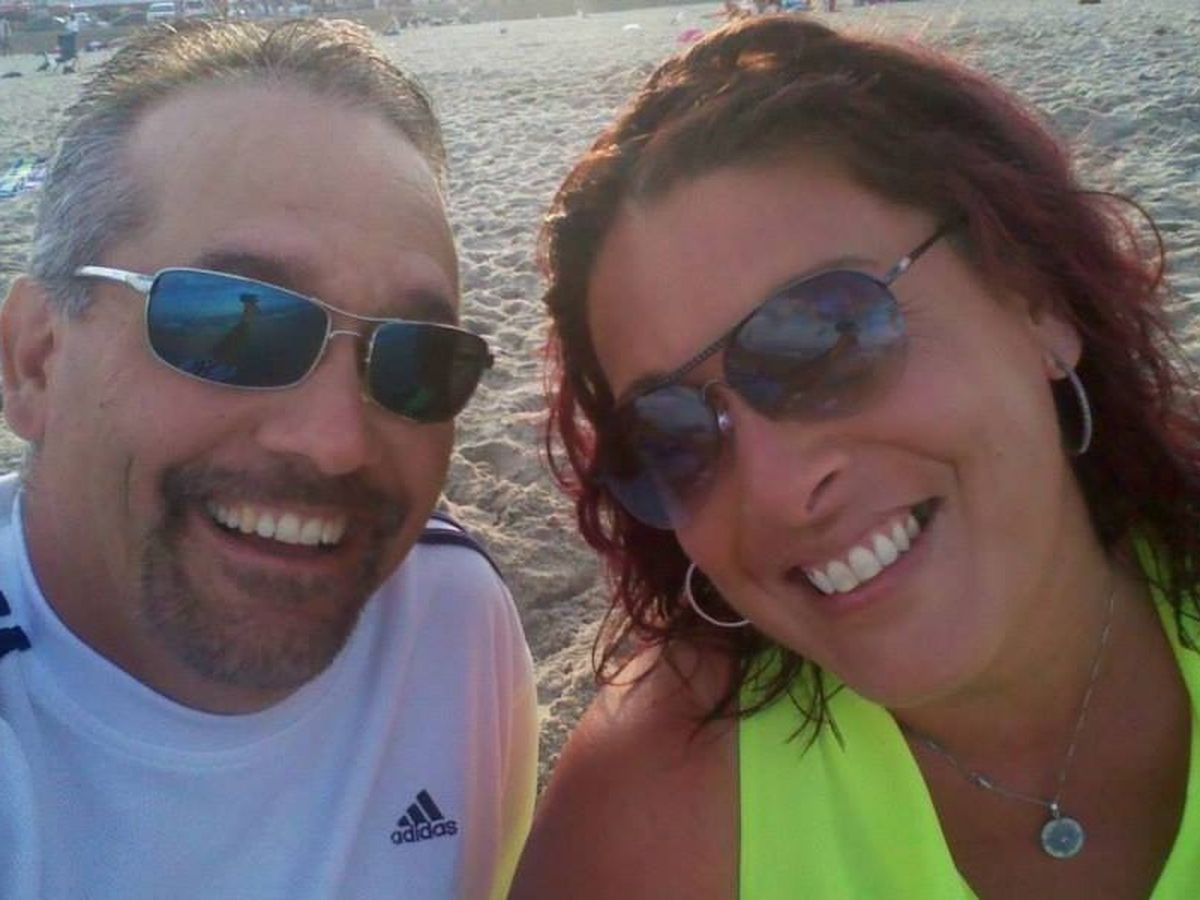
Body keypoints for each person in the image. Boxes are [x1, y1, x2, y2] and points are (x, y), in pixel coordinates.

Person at [513, 16, 1200, 898]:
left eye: (826, 340)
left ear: (1037, 301)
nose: (775, 488)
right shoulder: (648, 825)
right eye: (672, 435)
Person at [0, 19, 536, 899]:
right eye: (234, 326)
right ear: (36, 361)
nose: (337, 441)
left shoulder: (453, 618)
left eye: (414, 359)